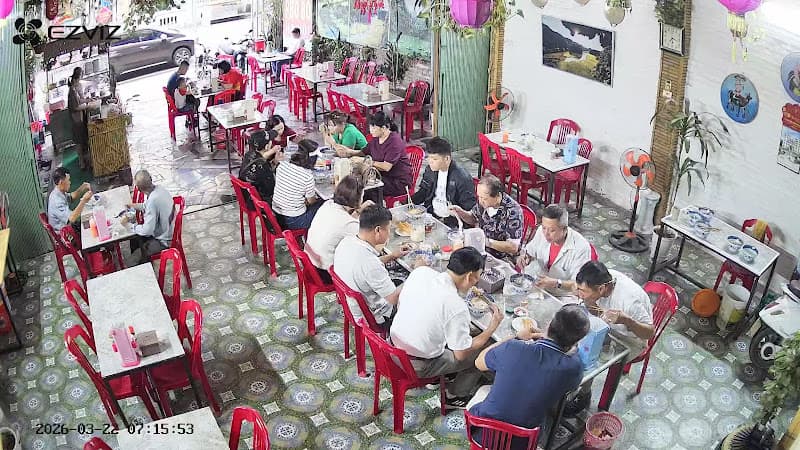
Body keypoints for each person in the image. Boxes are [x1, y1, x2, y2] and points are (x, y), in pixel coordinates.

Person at [390, 247, 504, 409]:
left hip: (393, 346)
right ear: (469, 276)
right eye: (477, 279)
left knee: (468, 332)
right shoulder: (455, 306)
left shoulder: (421, 272)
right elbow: (461, 354)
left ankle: (440, 377)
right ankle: (455, 395)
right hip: (417, 364)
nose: (476, 283)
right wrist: (492, 327)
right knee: (485, 348)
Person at [467, 304, 591, 449]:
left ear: (549, 324)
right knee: (544, 410)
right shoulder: (574, 367)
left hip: (482, 433)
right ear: (576, 341)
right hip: (523, 441)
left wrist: (515, 337)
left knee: (485, 389)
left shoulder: (513, 347)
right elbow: (571, 380)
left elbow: (479, 362)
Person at [565, 260, 655, 415]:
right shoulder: (603, 278)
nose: (580, 294)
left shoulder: (629, 301)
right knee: (575, 335)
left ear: (601, 289)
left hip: (630, 339)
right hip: (607, 324)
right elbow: (597, 309)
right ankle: (568, 383)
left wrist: (627, 320)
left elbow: (649, 333)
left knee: (590, 356)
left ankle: (584, 394)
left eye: (583, 291)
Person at [332, 205, 410, 328]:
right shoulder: (370, 264)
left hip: (350, 305)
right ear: (378, 230)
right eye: (389, 229)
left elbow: (366, 268)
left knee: (399, 279)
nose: (389, 233)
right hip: (372, 316)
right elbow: (394, 299)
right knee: (416, 294)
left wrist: (392, 256)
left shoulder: (346, 242)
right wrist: (417, 273)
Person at [306, 175, 373, 283]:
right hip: (325, 273)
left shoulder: (328, 204)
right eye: (362, 196)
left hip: (310, 262)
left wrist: (359, 210)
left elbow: (343, 221)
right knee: (365, 262)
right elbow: (368, 240)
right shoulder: (349, 224)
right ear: (356, 199)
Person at [517, 204, 592, 296]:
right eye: (544, 228)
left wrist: (557, 283)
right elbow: (530, 251)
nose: (546, 234)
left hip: (563, 295)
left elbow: (578, 285)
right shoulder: (541, 232)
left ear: (564, 229)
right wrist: (525, 257)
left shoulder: (581, 248)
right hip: (540, 287)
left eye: (552, 230)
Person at [337, 112, 411, 198]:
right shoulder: (376, 138)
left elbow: (386, 167)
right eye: (370, 126)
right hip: (381, 177)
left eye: (374, 127)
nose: (371, 130)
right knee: (354, 181)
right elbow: (364, 152)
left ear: (383, 128)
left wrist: (365, 161)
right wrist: (349, 151)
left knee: (364, 189)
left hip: (397, 182)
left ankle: (372, 208)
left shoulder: (394, 142)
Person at [449, 175, 523, 261]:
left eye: (484, 198)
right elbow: (473, 218)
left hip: (501, 257)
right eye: (479, 197)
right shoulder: (483, 202)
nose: (480, 201)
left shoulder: (513, 211)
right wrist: (460, 212)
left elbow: (513, 247)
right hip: (479, 249)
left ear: (497, 196)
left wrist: (486, 241)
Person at [410, 136, 476, 227]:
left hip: (452, 223)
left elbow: (469, 209)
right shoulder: (430, 170)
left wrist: (458, 213)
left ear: (447, 159)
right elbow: (424, 191)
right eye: (429, 158)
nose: (430, 162)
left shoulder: (462, 178)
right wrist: (408, 202)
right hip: (431, 216)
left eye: (434, 159)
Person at [120, 170, 175, 263]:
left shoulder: (153, 201)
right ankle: (137, 251)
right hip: (169, 229)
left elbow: (147, 230)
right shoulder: (159, 189)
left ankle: (143, 265)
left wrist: (129, 226)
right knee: (137, 233)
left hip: (165, 240)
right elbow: (147, 205)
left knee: (138, 235)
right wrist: (134, 205)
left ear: (139, 189)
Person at [271, 139, 321, 229]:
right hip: (294, 220)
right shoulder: (307, 176)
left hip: (276, 215)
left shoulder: (282, 165)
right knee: (324, 205)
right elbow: (311, 201)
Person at [239, 129, 282, 205]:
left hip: (246, 196)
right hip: (257, 203)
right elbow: (272, 188)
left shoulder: (248, 155)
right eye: (270, 141)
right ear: (266, 146)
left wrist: (274, 162)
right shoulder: (263, 166)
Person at [47, 167, 92, 233]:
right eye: (68, 180)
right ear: (61, 182)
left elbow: (71, 197)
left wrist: (83, 187)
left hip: (67, 226)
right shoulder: (56, 201)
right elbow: (72, 218)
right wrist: (84, 200)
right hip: (64, 233)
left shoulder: (58, 191)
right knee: (90, 224)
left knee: (90, 218)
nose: (70, 182)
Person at [67, 67, 95, 170]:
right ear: (75, 80)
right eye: (79, 79)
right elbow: (76, 107)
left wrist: (88, 100)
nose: (79, 81)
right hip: (76, 121)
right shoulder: (72, 92)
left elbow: (79, 102)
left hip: (79, 119)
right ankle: (82, 163)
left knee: (82, 140)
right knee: (79, 142)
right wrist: (87, 106)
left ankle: (85, 161)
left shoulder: (74, 90)